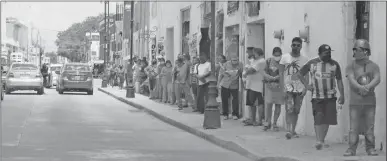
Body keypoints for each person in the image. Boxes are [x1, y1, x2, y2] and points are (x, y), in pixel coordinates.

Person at [297, 44, 345, 150]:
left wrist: (342, 94)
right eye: (325, 53)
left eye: (329, 53)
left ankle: (322, 140)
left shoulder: (334, 64)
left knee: (327, 119)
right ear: (319, 53)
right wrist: (306, 85)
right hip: (317, 96)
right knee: (318, 117)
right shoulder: (312, 63)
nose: (328, 55)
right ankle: (318, 140)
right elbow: (300, 73)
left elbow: (339, 80)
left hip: (331, 96)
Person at [343, 39, 380, 156]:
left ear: (365, 51)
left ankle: (370, 148)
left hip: (370, 102)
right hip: (355, 102)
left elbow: (377, 78)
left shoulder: (374, 66)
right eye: (354, 49)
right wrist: (360, 88)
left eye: (357, 49)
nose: (354, 52)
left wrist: (367, 87)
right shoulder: (351, 66)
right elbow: (351, 78)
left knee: (369, 127)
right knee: (354, 127)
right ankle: (351, 149)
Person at [279, 37, 309, 139]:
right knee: (289, 109)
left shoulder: (304, 59)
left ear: (301, 47)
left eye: (298, 45)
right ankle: (288, 130)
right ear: (291, 46)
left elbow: (306, 75)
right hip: (288, 88)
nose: (295, 47)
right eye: (294, 45)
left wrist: (306, 87)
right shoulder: (285, 57)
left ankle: (293, 130)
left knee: (296, 110)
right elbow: (280, 73)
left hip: (299, 88)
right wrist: (282, 87)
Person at [263, 47, 285, 131]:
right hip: (269, 86)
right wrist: (270, 77)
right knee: (268, 105)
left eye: (279, 55)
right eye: (275, 55)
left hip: (279, 87)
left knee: (278, 105)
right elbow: (264, 72)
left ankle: (275, 123)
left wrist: (277, 77)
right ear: (273, 55)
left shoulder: (283, 62)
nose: (277, 57)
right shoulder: (268, 61)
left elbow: (284, 73)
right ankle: (267, 123)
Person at [243, 48, 266, 126]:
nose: (253, 55)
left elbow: (252, 70)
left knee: (258, 103)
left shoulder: (261, 61)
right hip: (250, 84)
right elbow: (247, 68)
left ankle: (259, 120)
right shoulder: (254, 61)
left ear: (259, 54)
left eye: (254, 53)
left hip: (257, 85)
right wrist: (247, 71)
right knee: (251, 103)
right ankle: (252, 120)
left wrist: (246, 72)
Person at [218, 54, 243, 120]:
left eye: (236, 60)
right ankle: (225, 114)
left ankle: (235, 114)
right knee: (225, 99)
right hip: (225, 84)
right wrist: (218, 84)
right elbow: (221, 74)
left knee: (235, 100)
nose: (235, 62)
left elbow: (241, 75)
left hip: (234, 84)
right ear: (230, 60)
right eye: (233, 60)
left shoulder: (240, 64)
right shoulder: (226, 64)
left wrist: (243, 84)